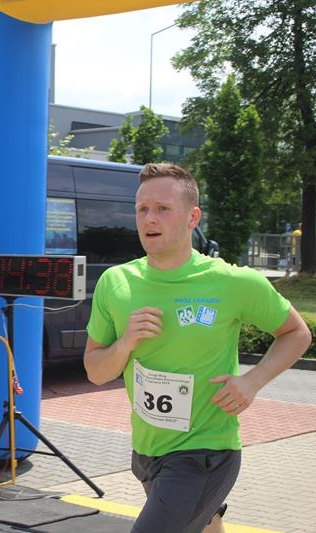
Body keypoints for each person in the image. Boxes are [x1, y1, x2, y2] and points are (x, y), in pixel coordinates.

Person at [84, 163, 311, 533]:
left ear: (193, 218)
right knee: (206, 526)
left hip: (205, 451)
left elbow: (296, 333)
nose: (149, 218)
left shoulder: (232, 282)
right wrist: (125, 343)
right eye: (142, 209)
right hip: (147, 450)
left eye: (162, 208)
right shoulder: (116, 282)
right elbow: (95, 372)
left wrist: (252, 382)